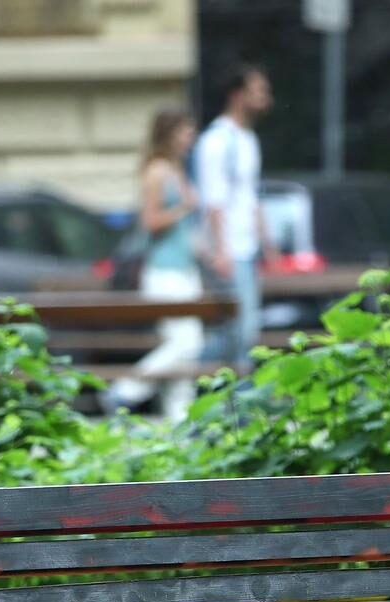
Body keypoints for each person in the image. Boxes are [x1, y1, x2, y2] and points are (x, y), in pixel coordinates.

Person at [103, 107, 204, 421]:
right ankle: (125, 390)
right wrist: (183, 208)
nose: (191, 138)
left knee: (186, 350)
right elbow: (150, 222)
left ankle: (180, 420)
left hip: (186, 268)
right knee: (187, 343)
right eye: (186, 131)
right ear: (170, 134)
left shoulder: (177, 168)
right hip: (163, 270)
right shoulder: (157, 170)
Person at [195, 63, 276, 370]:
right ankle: (187, 370)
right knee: (239, 331)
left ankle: (235, 402)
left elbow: (249, 196)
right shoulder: (217, 140)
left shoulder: (247, 139)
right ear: (237, 95)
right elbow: (213, 200)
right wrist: (222, 250)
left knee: (243, 331)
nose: (266, 98)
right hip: (229, 250)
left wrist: (266, 242)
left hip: (247, 248)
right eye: (259, 91)